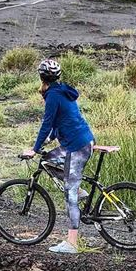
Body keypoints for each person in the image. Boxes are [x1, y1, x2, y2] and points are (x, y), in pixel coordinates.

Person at [21, 58, 95, 254]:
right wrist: (50, 139)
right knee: (47, 160)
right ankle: (79, 190)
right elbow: (61, 121)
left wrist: (35, 149)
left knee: (69, 195)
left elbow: (47, 123)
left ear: (41, 76)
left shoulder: (53, 95)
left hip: (77, 147)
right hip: (82, 140)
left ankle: (72, 243)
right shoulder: (61, 90)